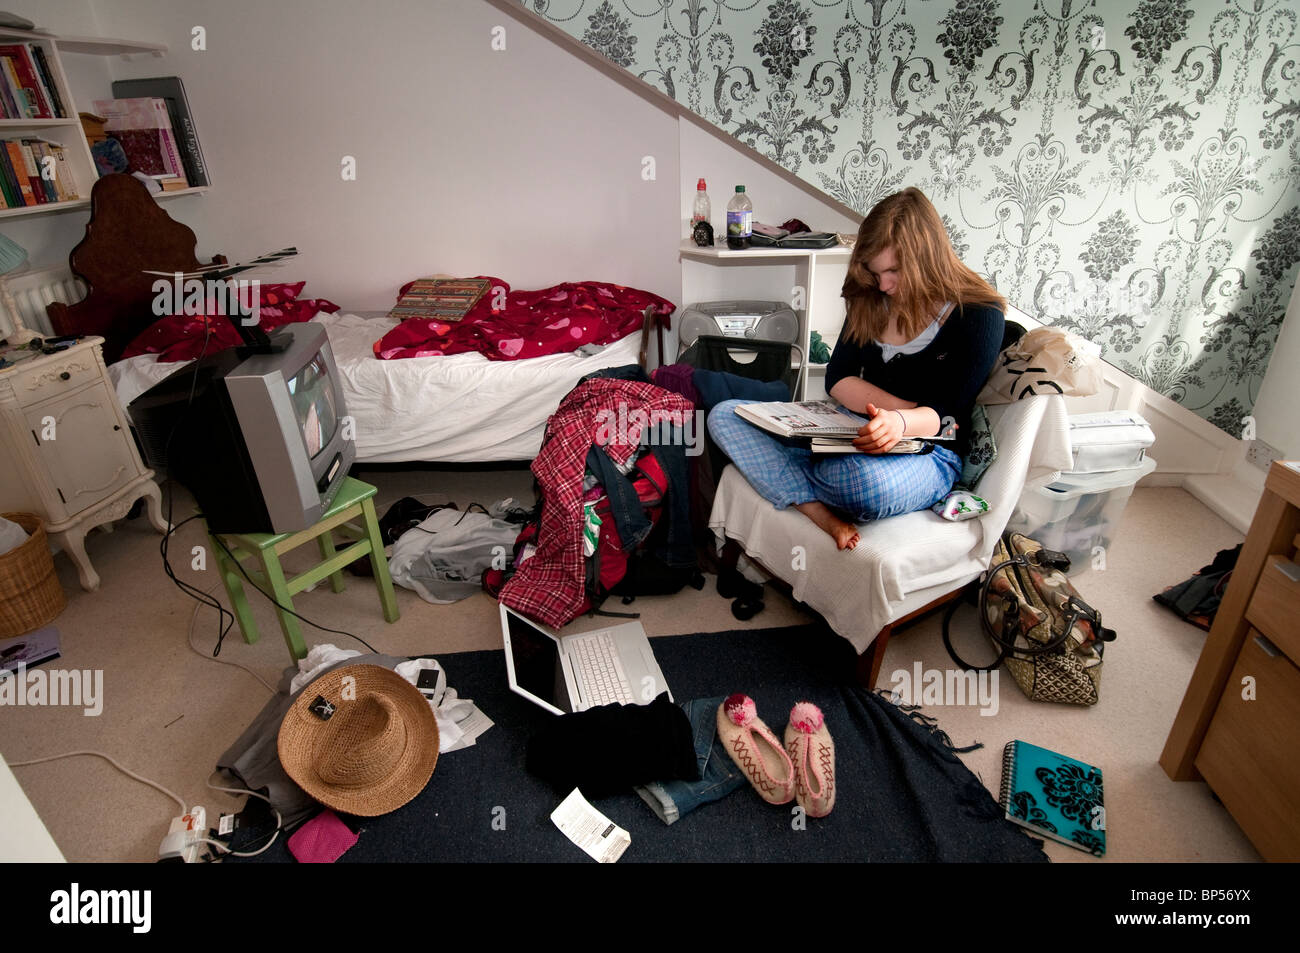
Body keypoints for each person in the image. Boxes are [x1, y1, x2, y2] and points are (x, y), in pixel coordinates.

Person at [708, 187, 1005, 550]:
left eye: (894, 271)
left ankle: (787, 478)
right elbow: (838, 378)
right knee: (724, 415)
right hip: (847, 427)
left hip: (926, 450)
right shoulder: (871, 295)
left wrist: (898, 423)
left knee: (860, 483)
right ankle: (816, 508)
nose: (884, 285)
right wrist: (891, 415)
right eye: (875, 272)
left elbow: (949, 417)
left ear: (926, 259)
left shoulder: (978, 315)